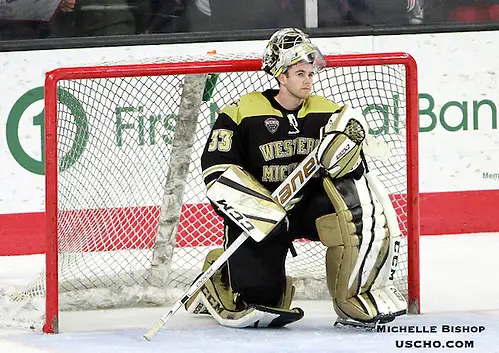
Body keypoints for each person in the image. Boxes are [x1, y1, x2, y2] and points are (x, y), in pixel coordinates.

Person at [186, 28, 407, 328]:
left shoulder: (328, 113)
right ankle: (220, 272)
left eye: (310, 73)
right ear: (281, 76)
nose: (308, 80)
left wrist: (348, 151)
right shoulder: (241, 112)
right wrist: (260, 210)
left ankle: (353, 298)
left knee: (352, 214)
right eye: (300, 73)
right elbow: (216, 168)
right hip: (262, 217)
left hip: (307, 209)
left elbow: (352, 163)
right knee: (260, 296)